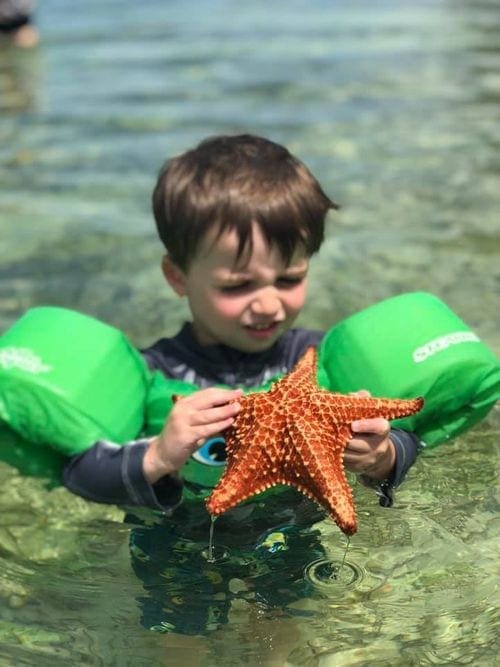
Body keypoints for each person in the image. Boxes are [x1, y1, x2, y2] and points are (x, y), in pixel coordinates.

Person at [62, 134, 422, 633]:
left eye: (290, 278)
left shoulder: (316, 362)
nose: (270, 304)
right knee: (178, 641)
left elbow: (407, 436)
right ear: (178, 276)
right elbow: (81, 471)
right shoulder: (152, 373)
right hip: (177, 541)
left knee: (279, 632)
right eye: (238, 285)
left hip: (288, 533)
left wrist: (381, 457)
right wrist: (158, 456)